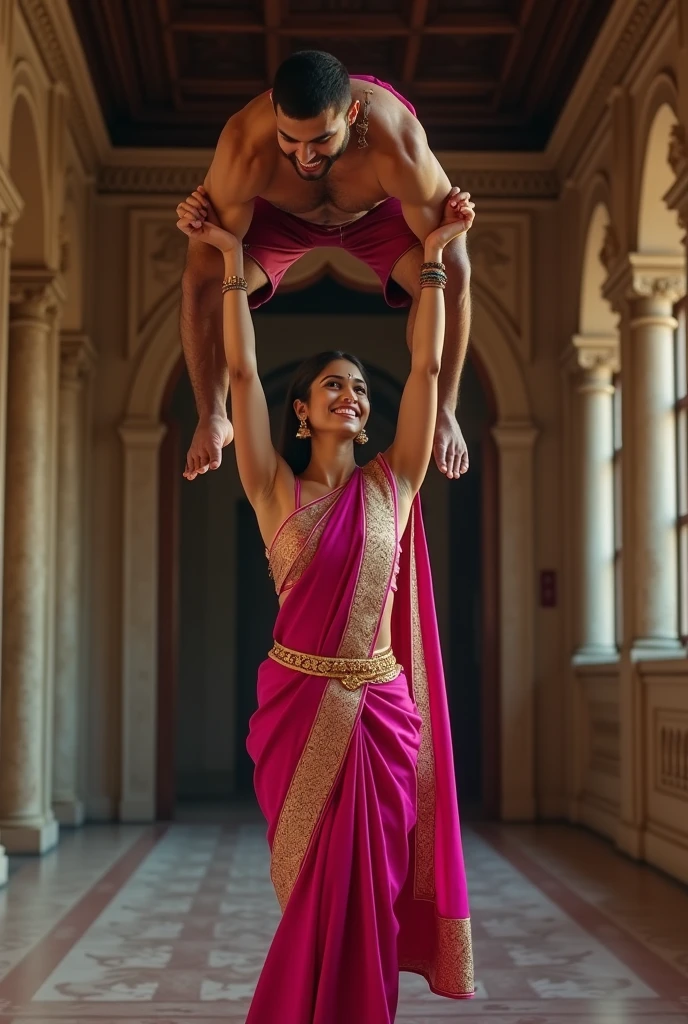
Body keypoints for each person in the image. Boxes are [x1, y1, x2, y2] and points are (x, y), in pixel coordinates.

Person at [175, 185, 475, 1022]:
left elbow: (421, 366)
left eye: (360, 392)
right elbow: (239, 368)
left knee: (371, 898)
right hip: (300, 707)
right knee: (316, 890)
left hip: (381, 714)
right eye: (334, 387)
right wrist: (233, 261)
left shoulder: (397, 485)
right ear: (300, 411)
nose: (353, 396)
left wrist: (440, 263)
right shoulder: (274, 488)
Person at [177, 49, 474, 486]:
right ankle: (215, 416)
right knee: (202, 281)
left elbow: (452, 255)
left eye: (320, 140)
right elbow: (205, 263)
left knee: (449, 276)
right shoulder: (245, 147)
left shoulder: (398, 144)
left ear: (351, 113)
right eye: (290, 140)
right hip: (278, 216)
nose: (305, 157)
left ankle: (443, 412)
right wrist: (200, 228)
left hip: (376, 213)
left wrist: (446, 406)